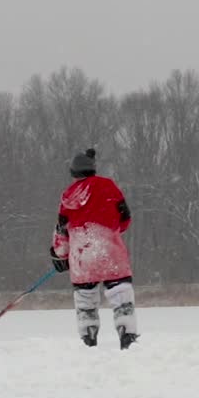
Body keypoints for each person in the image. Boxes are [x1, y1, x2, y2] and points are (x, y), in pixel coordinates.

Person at [49, 148, 139, 349]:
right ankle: (127, 336)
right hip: (110, 251)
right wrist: (112, 231)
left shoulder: (68, 196)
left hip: (82, 257)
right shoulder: (109, 187)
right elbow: (125, 218)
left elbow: (61, 230)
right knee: (120, 296)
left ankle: (89, 338)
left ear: (73, 172)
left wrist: (59, 254)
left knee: (85, 301)